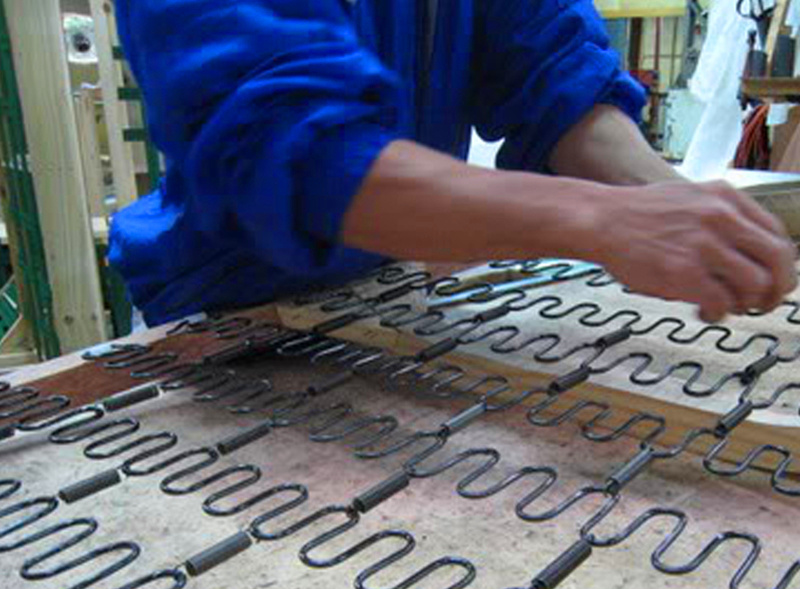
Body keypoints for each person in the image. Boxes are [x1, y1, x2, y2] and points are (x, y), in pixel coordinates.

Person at [109, 0, 797, 328]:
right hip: (226, 318)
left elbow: (554, 74)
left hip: (385, 299)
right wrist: (603, 219)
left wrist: (677, 209)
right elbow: (292, 152)